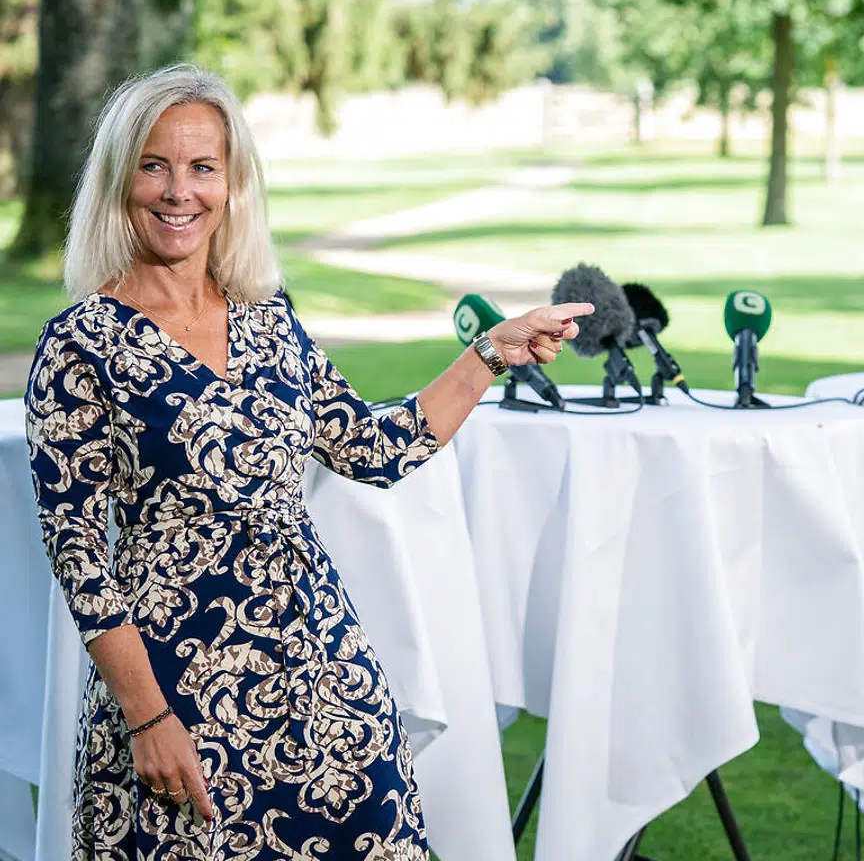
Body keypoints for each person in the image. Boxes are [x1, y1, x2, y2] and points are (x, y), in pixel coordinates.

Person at [24, 63, 592, 859]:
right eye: (154, 166)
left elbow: (374, 447)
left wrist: (491, 353)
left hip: (320, 673)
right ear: (120, 181)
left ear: (232, 184)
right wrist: (147, 718)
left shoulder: (269, 323)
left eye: (202, 168)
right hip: (178, 688)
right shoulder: (80, 344)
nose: (178, 191)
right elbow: (79, 555)